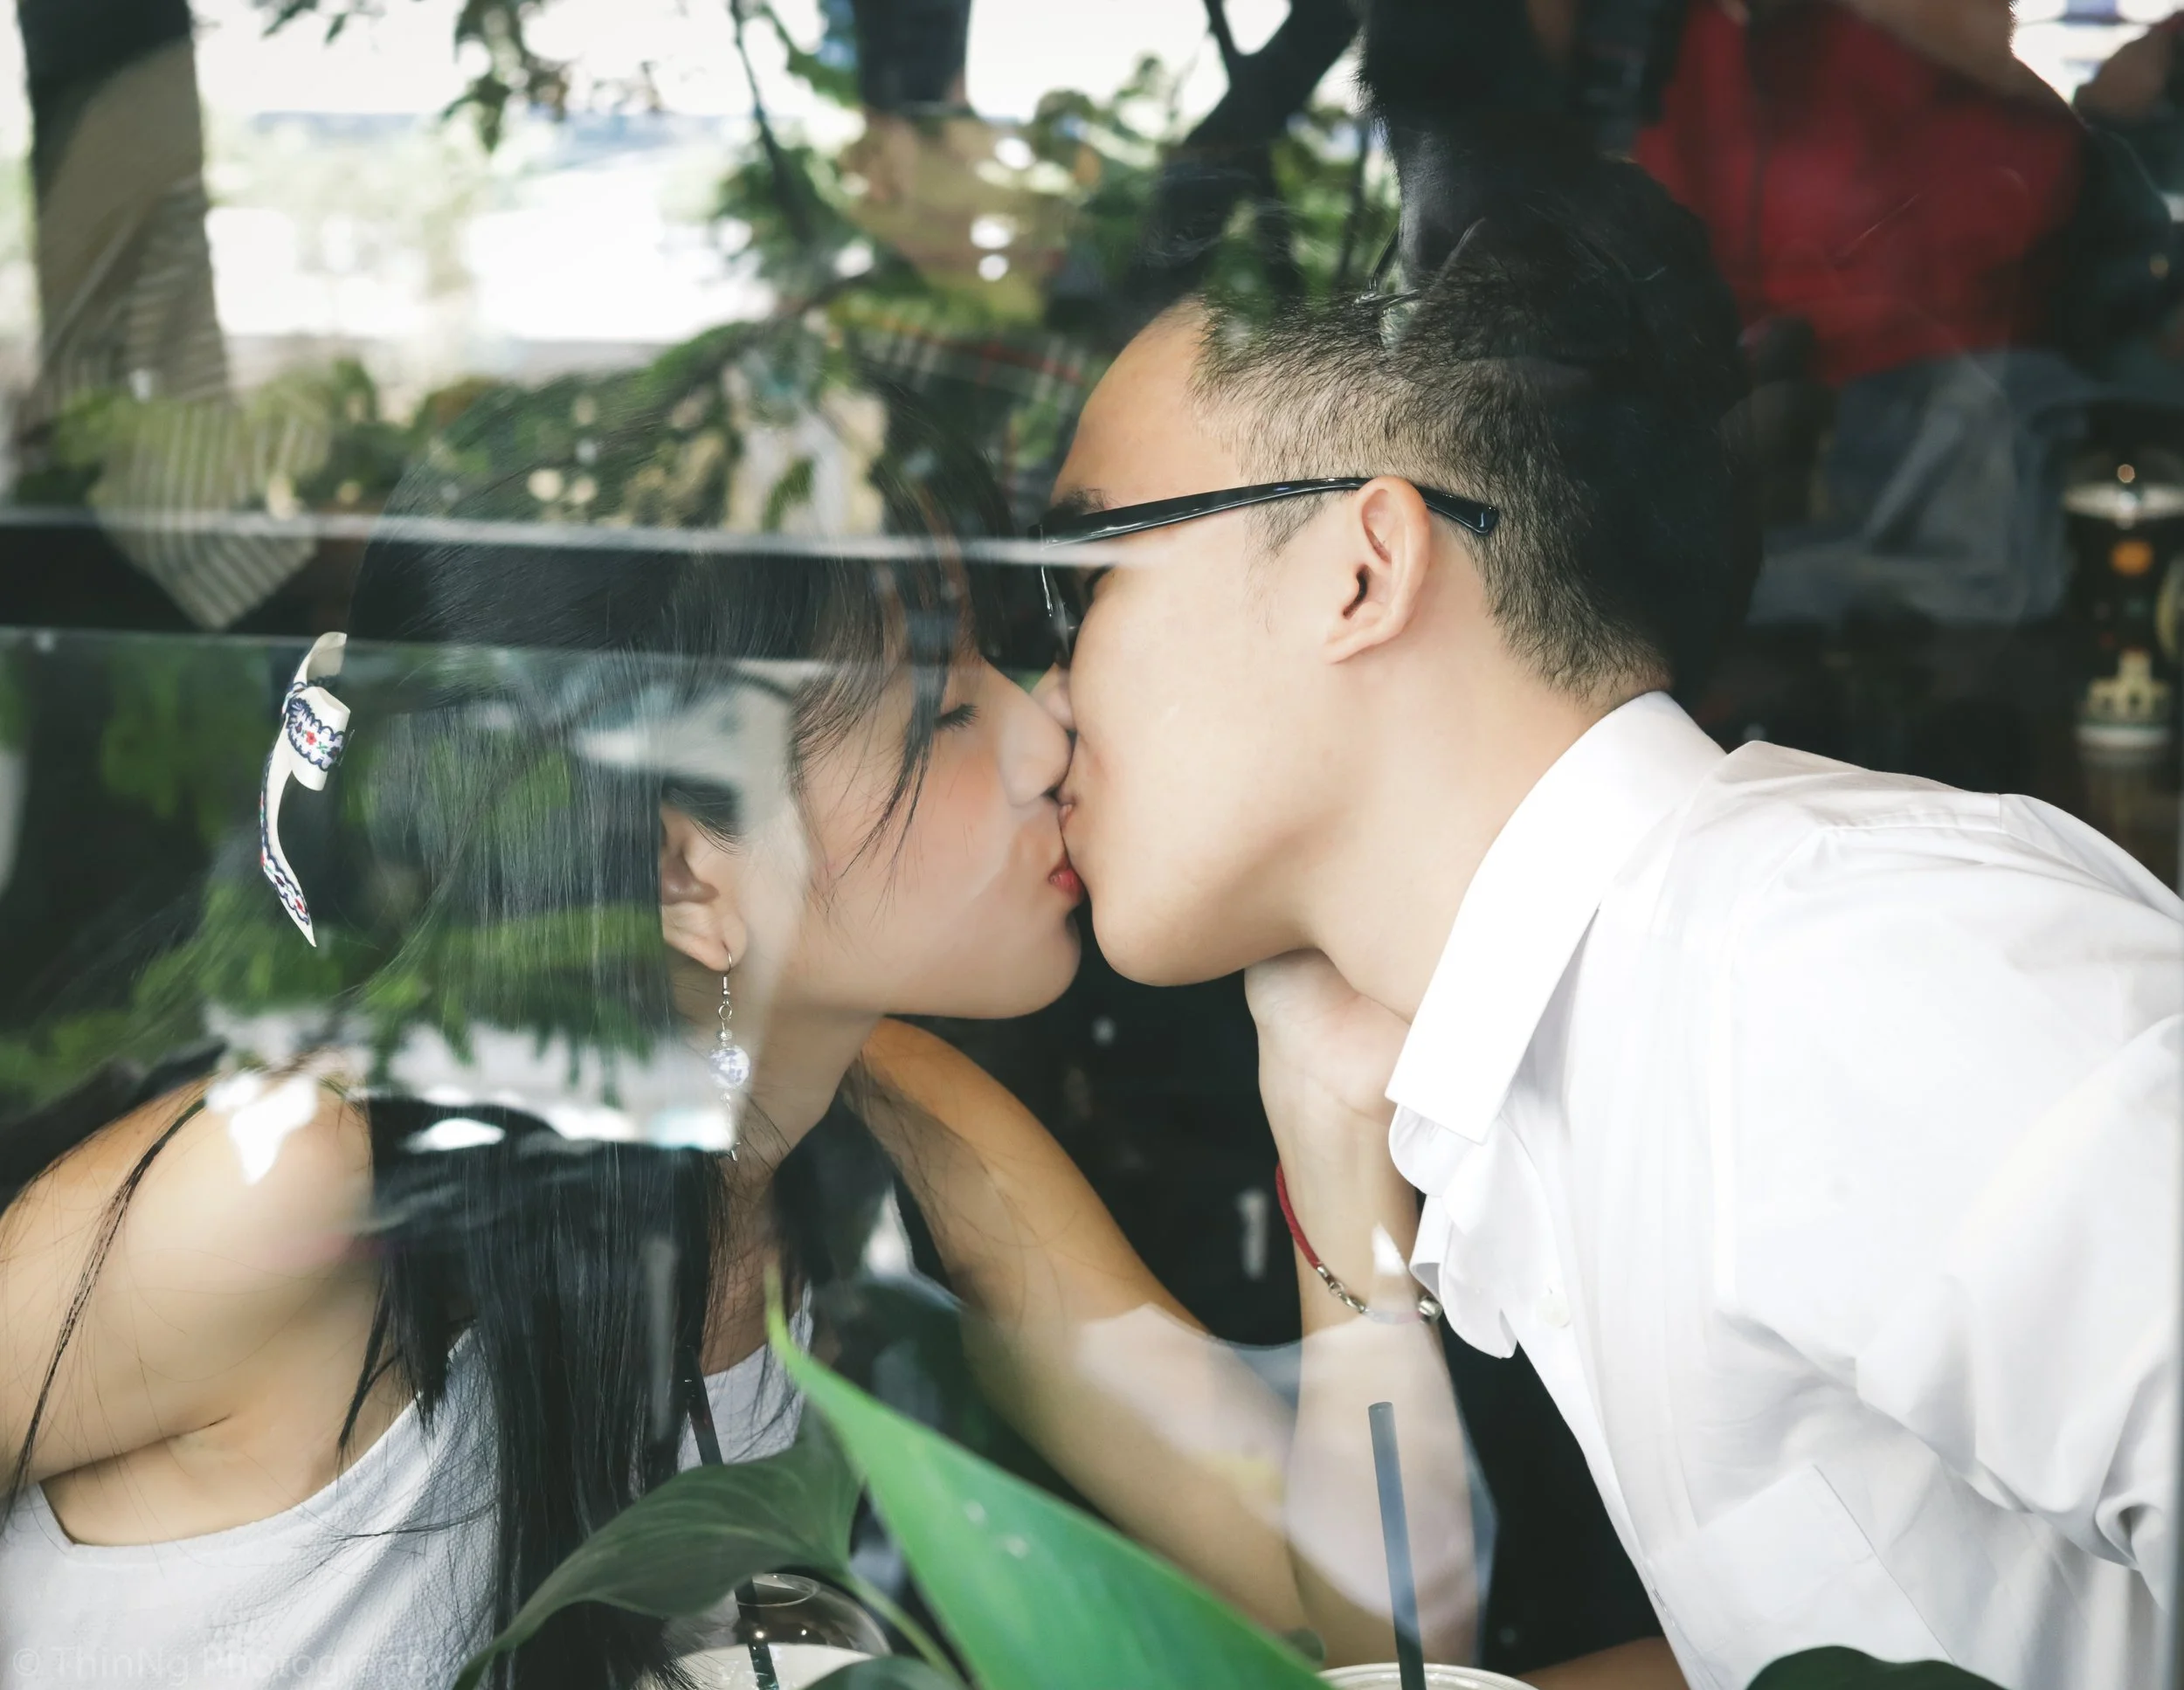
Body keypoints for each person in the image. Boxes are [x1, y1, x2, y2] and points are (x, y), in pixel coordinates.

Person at [0, 393, 1473, 1687]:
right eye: (938, 720)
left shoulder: (896, 1124)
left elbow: (1375, 1631)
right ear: (688, 873)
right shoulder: (306, 1180)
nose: (1047, 732)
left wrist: (1335, 1141)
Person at [1032, 113, 2182, 1690]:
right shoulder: (1599, 1025)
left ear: (1359, 569)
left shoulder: (1842, 974)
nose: (1044, 696)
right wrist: (1328, 1138)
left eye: (1082, 573)